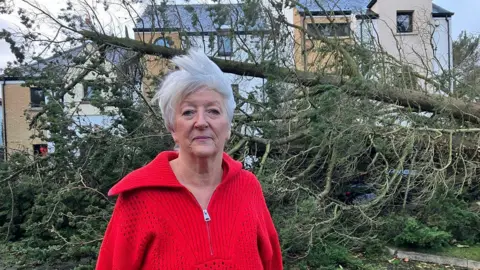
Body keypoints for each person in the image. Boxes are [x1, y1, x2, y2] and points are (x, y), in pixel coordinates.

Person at [95, 49, 283, 270]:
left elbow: (272, 264)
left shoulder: (248, 188)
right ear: (173, 128)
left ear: (229, 127)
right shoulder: (139, 200)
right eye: (188, 112)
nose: (201, 122)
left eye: (213, 111)